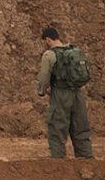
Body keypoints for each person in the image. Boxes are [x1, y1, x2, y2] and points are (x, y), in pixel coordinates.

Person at [36, 26, 94, 159]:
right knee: (81, 128)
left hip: (61, 94)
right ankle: (87, 161)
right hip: (78, 94)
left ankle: (58, 163)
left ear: (48, 40)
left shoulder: (49, 55)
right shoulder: (75, 51)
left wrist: (42, 91)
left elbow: (44, 77)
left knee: (57, 128)